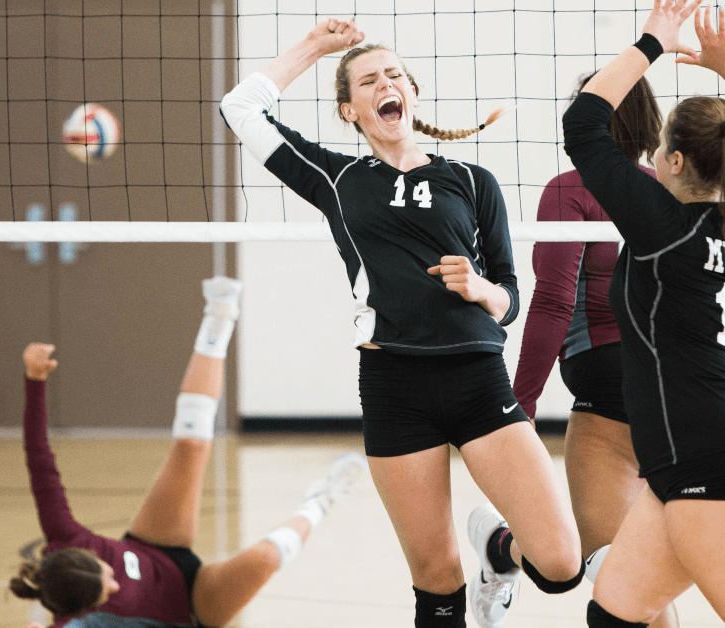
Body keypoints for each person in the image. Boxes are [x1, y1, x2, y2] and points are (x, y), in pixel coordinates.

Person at [220, 19, 583, 628]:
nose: (385, 83)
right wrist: (316, 46)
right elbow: (240, 108)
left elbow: (513, 296)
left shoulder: (471, 180)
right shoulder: (337, 179)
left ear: (411, 94)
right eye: (368, 80)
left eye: (393, 74)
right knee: (437, 582)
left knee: (560, 563)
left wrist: (481, 288)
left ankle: (499, 552)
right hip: (394, 386)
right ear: (350, 109)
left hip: (477, 379)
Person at [563, 2, 725, 626]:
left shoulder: (663, 228)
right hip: (693, 458)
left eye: (658, 151)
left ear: (675, 162)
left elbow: (584, 122)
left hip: (714, 458)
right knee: (614, 616)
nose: (652, 160)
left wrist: (652, 42)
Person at [9, 276, 366, 628]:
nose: (116, 583)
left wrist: (34, 380)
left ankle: (219, 317)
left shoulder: (63, 534)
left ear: (82, 554)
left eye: (107, 574)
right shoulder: (78, 625)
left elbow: (39, 460)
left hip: (154, 547)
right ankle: (319, 502)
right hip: (194, 607)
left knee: (191, 446)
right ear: (83, 610)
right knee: (264, 558)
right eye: (109, 590)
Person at [512, 75, 679, 628]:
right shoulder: (669, 187)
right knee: (649, 587)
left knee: (616, 579)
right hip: (679, 389)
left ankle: (497, 551)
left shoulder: (571, 189)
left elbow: (553, 305)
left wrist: (520, 409)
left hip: (608, 382)